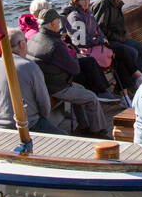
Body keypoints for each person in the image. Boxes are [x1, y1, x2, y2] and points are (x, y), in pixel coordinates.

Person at [26, 8, 109, 136]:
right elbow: (75, 69)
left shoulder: (33, 38)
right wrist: (72, 55)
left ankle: (84, 126)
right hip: (56, 86)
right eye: (58, 21)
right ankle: (98, 131)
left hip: (42, 82)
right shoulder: (55, 44)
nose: (59, 23)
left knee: (80, 90)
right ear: (53, 23)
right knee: (91, 98)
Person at [0, 29, 72, 134]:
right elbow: (44, 105)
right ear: (21, 44)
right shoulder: (29, 66)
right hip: (27, 126)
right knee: (65, 137)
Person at [64, 0, 142, 94]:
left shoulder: (88, 13)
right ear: (76, 1)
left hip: (96, 46)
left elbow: (98, 29)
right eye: (83, 0)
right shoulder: (75, 17)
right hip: (86, 51)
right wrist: (100, 40)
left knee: (120, 59)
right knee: (121, 52)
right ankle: (136, 79)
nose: (86, 2)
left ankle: (125, 91)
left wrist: (102, 38)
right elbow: (81, 41)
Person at [91, 0, 142, 83]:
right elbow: (99, 29)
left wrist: (121, 37)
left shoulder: (116, 3)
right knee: (132, 53)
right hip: (107, 42)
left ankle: (134, 81)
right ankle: (129, 82)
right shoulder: (104, 4)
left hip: (119, 38)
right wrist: (118, 38)